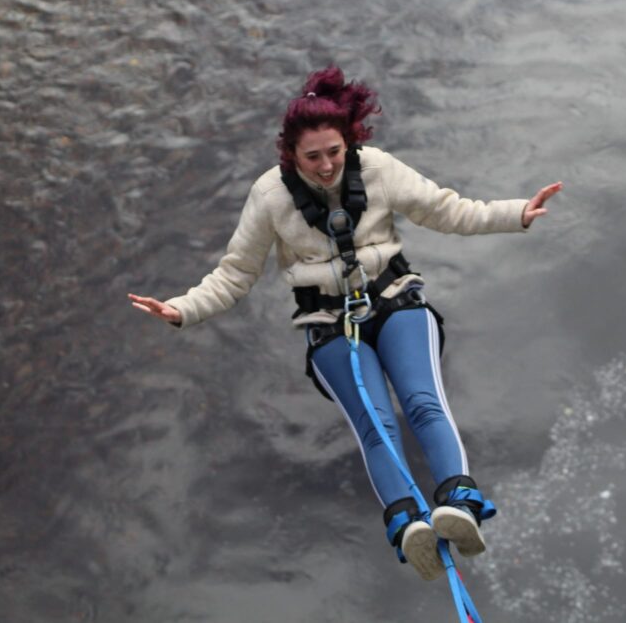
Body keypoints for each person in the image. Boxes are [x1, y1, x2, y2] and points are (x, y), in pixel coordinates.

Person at [128, 66, 561, 581]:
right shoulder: (270, 196)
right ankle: (407, 524)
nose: (327, 164)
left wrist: (515, 213)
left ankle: (458, 502)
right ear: (290, 154)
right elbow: (236, 273)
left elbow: (445, 210)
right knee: (375, 427)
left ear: (348, 141)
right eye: (313, 157)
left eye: (334, 151)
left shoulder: (376, 168)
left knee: (422, 402)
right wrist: (183, 308)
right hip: (330, 323)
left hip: (396, 301)